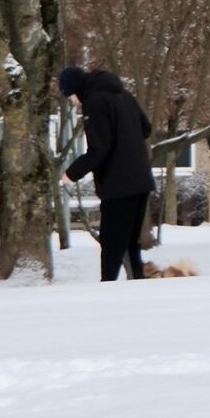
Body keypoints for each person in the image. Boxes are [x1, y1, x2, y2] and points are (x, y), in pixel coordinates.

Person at [59, 64, 155, 282]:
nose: (73, 103)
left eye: (70, 96)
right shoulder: (125, 95)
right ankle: (136, 282)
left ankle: (107, 289)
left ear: (76, 89)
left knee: (112, 243)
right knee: (130, 242)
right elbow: (146, 128)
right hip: (141, 180)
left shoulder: (94, 103)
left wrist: (72, 174)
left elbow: (99, 149)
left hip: (118, 185)